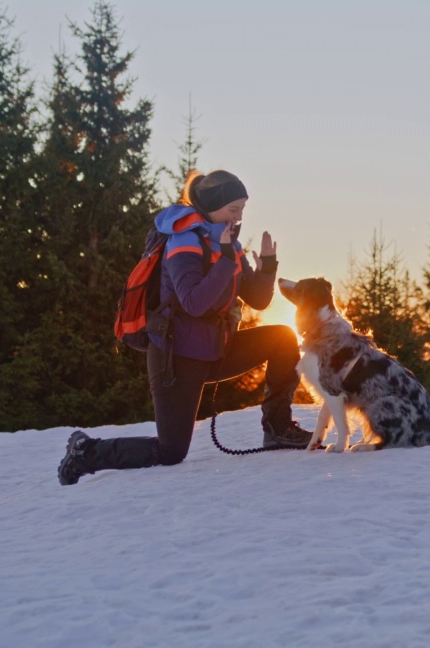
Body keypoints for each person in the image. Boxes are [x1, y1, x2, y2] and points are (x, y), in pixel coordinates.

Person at [58, 170, 312, 485]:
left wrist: (268, 265)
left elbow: (258, 300)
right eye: (234, 209)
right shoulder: (184, 239)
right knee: (171, 451)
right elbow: (193, 302)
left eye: (243, 209)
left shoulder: (227, 239)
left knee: (282, 338)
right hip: (176, 357)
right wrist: (225, 259)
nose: (240, 216)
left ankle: (278, 429)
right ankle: (87, 453)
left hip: (216, 348)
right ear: (212, 206)